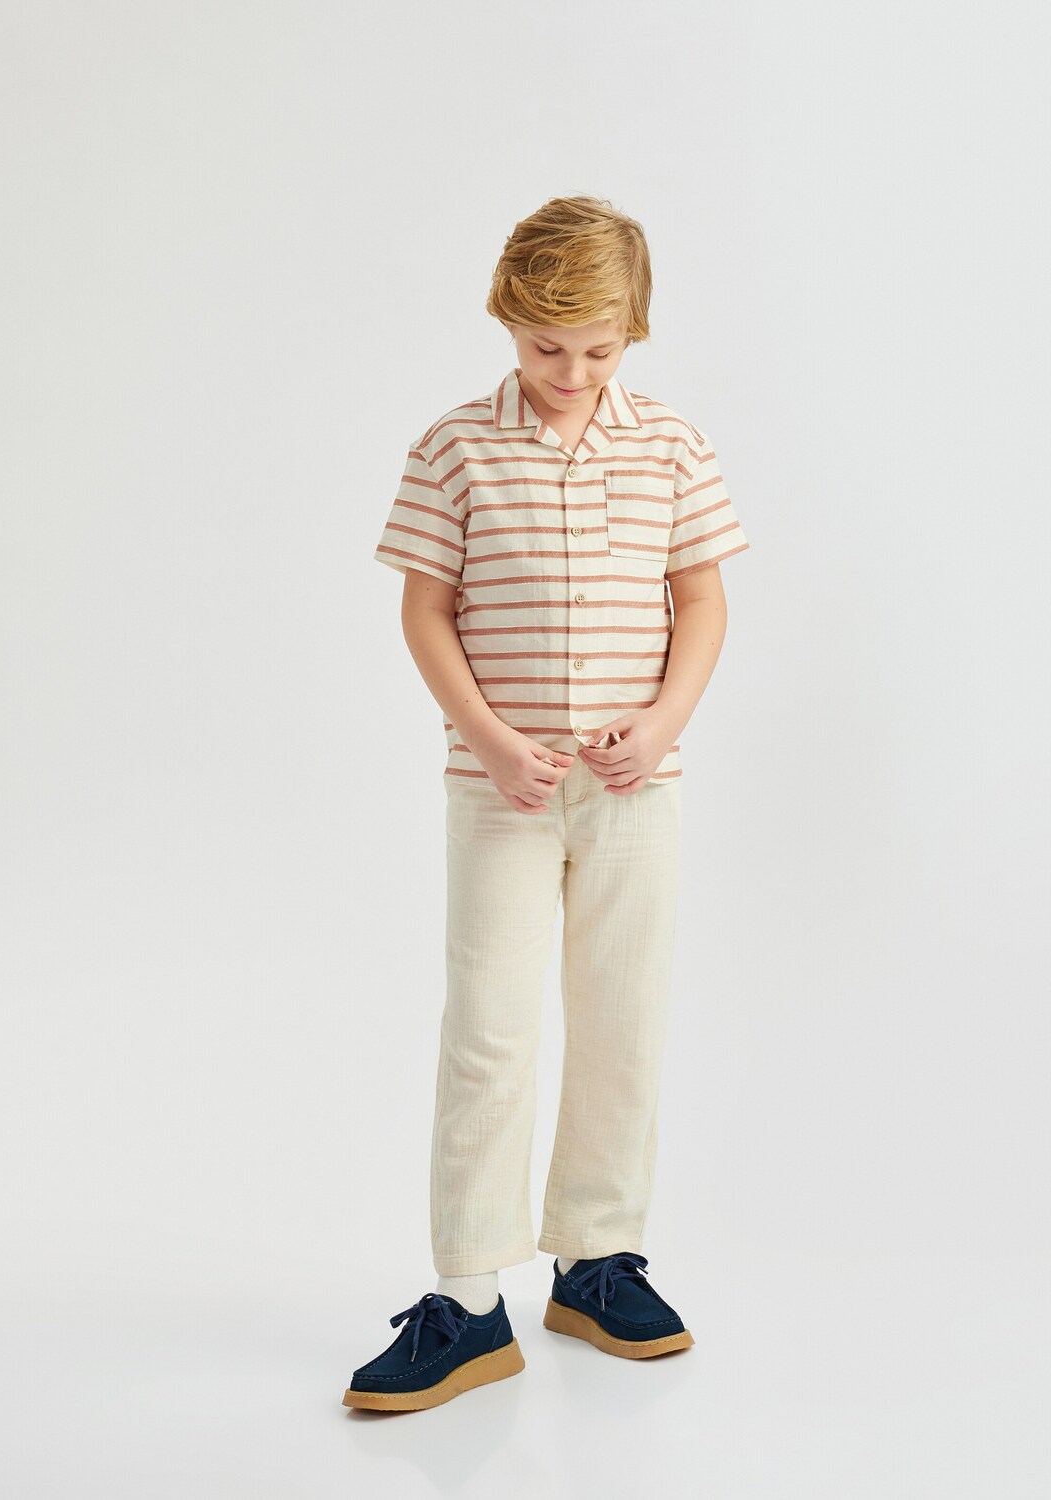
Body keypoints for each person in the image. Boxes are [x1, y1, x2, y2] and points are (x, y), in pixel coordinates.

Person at [342, 195, 751, 1411]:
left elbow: (701, 601)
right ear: (505, 321)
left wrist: (662, 724)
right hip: (499, 793)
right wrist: (488, 737)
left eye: (597, 349)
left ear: (634, 331)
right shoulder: (455, 446)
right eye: (544, 347)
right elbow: (424, 609)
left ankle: (597, 1260)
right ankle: (468, 1299)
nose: (570, 373)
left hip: (633, 794)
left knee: (622, 1019)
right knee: (489, 1030)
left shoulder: (668, 444)